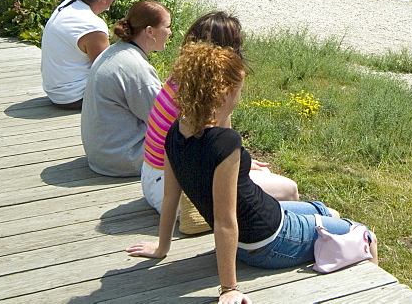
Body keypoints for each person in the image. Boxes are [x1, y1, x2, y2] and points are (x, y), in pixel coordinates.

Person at [127, 43, 377, 303]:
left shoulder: (175, 133)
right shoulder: (225, 143)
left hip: (264, 222)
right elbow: (225, 221)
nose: (240, 97)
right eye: (239, 91)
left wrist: (161, 247)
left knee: (328, 212)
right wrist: (229, 288)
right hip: (268, 242)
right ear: (225, 92)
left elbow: (170, 198)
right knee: (366, 235)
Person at [140, 11, 298, 225]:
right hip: (173, 189)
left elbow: (219, 139)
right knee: (288, 191)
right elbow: (215, 148)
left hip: (153, 177)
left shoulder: (186, 74)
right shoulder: (207, 94)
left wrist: (241, 160)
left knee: (262, 175)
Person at [81, 0, 172, 177]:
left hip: (101, 154)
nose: (170, 32)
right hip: (123, 158)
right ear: (150, 31)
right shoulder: (135, 67)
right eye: (167, 26)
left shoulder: (115, 51)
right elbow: (164, 120)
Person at [40, 0, 118, 109]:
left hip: (55, 90)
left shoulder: (67, 4)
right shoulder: (92, 25)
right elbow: (106, 69)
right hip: (73, 96)